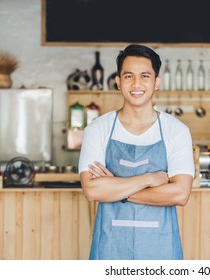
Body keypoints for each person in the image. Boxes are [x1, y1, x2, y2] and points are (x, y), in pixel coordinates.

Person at [78, 44, 194, 260]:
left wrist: (115, 187)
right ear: (118, 82)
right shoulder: (97, 129)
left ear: (156, 82)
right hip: (110, 247)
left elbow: (180, 193)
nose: (137, 83)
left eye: (145, 76)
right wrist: (150, 179)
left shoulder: (176, 131)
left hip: (161, 249)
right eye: (129, 76)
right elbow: (93, 191)